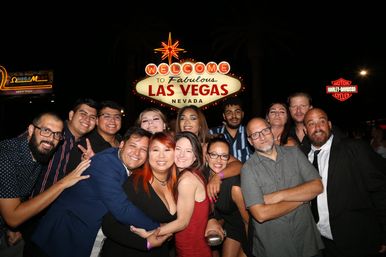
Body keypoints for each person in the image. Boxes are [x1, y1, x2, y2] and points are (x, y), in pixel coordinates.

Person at [31, 127, 160, 257]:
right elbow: (122, 209)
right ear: (122, 144)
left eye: (143, 150)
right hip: (62, 235)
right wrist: (158, 227)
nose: (137, 153)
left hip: (78, 231)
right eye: (133, 146)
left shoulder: (118, 160)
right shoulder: (107, 164)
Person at [0, 112, 91, 257]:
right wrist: (63, 183)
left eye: (57, 135)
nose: (51, 139)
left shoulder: (39, 153)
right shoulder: (6, 156)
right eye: (46, 130)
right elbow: (13, 217)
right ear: (31, 130)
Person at [304, 108, 386, 257]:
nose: (317, 128)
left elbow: (380, 189)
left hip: (358, 240)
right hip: (322, 244)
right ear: (305, 130)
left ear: (329, 124)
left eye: (321, 121)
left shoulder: (354, 148)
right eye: (311, 123)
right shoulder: (302, 157)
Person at [241, 117, 324, 257]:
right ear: (250, 141)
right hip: (274, 247)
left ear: (271, 131)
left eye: (265, 131)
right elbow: (261, 214)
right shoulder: (248, 169)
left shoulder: (295, 153)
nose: (262, 137)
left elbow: (317, 186)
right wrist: (301, 199)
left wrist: (278, 196)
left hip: (307, 241)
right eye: (255, 134)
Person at [132, 131, 212, 257]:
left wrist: (151, 234)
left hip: (192, 251)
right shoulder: (192, 174)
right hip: (190, 248)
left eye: (188, 151)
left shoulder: (187, 180)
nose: (181, 155)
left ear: (195, 156)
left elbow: (182, 222)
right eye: (178, 149)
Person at [100, 132, 177, 257]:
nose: (161, 156)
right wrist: (146, 243)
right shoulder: (136, 182)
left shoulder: (178, 184)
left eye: (167, 150)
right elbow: (109, 225)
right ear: (148, 155)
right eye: (155, 150)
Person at [65, 100, 124, 257]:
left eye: (117, 117)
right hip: (89, 218)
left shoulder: (124, 143)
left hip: (116, 215)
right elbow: (69, 183)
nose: (112, 121)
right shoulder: (85, 145)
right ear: (97, 120)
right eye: (106, 116)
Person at [175, 105, 243, 200]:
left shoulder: (207, 147)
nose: (186, 122)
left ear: (200, 125)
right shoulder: (172, 145)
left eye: (193, 118)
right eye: (182, 118)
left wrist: (218, 176)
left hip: (202, 201)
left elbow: (238, 165)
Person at [205, 135, 251, 257]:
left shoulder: (234, 186)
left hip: (248, 229)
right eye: (214, 154)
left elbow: (249, 222)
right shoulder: (204, 175)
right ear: (207, 156)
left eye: (224, 156)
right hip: (231, 226)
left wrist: (250, 248)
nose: (219, 160)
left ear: (228, 158)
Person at [209, 97, 253, 163]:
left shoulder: (251, 132)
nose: (234, 116)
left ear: (242, 114)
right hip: (222, 173)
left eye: (237, 112)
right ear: (224, 116)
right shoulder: (212, 133)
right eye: (229, 113)